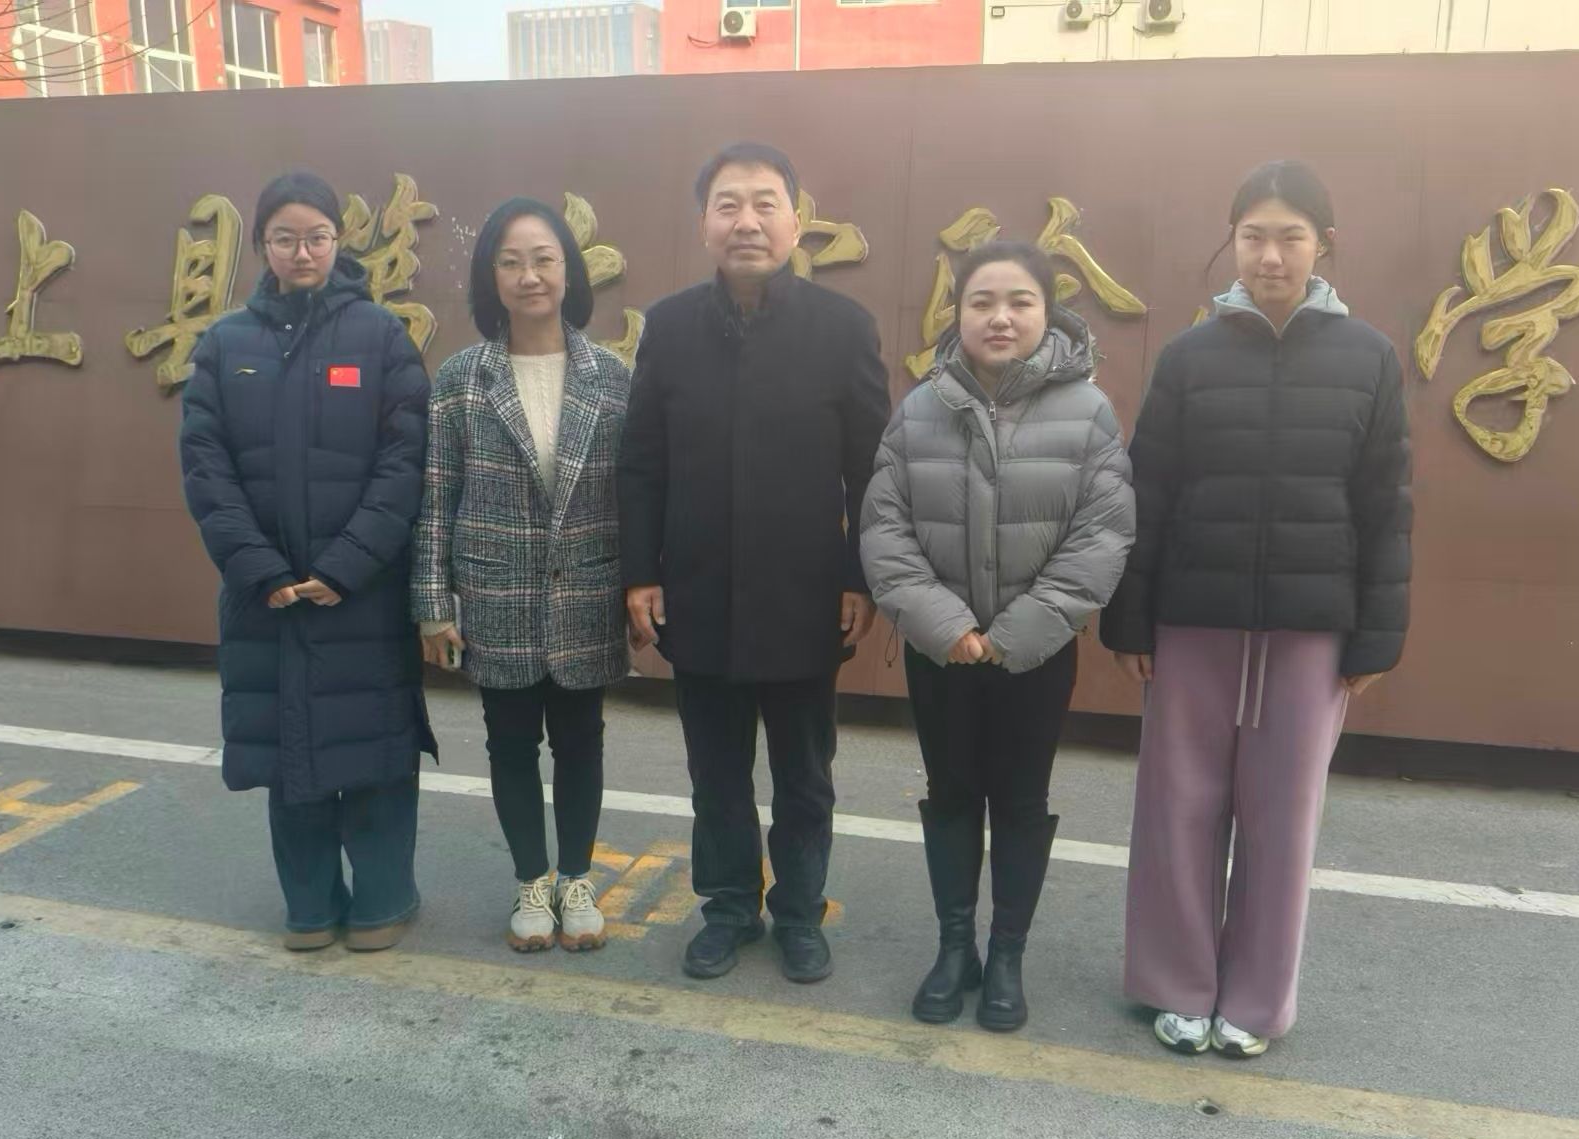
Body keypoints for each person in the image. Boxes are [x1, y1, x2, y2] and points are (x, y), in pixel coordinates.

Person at [1100, 160, 1413, 1058]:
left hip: (1311, 633)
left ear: (1324, 245)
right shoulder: (1189, 356)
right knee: (1178, 807)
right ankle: (1177, 984)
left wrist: (1377, 635)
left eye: (1290, 237)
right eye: (1253, 237)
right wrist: (1130, 617)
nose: (1270, 256)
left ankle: (1257, 1001)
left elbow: (1386, 504)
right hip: (1193, 620)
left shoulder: (1369, 358)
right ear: (1232, 243)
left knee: (1283, 819)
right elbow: (1148, 491)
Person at [617, 142, 891, 984]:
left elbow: (872, 468)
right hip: (697, 592)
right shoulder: (669, 327)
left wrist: (859, 575)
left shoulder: (843, 327)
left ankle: (800, 913)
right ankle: (730, 908)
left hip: (806, 595)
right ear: (704, 224)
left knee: (804, 774)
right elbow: (643, 461)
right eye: (728, 204)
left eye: (765, 203)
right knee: (716, 773)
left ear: (796, 222)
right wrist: (641, 571)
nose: (747, 221)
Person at [861, 241, 1134, 1033]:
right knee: (950, 793)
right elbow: (884, 528)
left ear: (1048, 312)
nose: (1000, 317)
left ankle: (1007, 953)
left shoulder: (1088, 411)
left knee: (1020, 798)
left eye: (1019, 301)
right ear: (958, 313)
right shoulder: (919, 409)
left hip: (1034, 653)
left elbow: (1103, 533)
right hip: (940, 651)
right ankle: (956, 948)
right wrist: (946, 627)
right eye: (982, 301)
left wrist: (1017, 632)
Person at [180, 171, 435, 953]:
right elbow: (205, 468)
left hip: (362, 592)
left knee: (376, 750)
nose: (302, 252)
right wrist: (261, 568)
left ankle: (383, 901)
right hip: (269, 594)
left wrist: (348, 563)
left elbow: (405, 461)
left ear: (338, 241)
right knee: (290, 751)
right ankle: (311, 908)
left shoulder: (381, 336)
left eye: (316, 237)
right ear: (263, 244)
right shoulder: (225, 345)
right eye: (285, 238)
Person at [412, 199, 632, 954]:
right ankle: (531, 882)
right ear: (490, 277)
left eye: (543, 259)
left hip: (587, 592)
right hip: (494, 593)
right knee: (508, 743)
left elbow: (636, 495)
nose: (529, 275)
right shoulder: (461, 378)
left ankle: (577, 878)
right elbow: (436, 497)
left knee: (582, 742)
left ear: (568, 271)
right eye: (511, 262)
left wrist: (641, 587)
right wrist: (433, 603)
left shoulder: (613, 377)